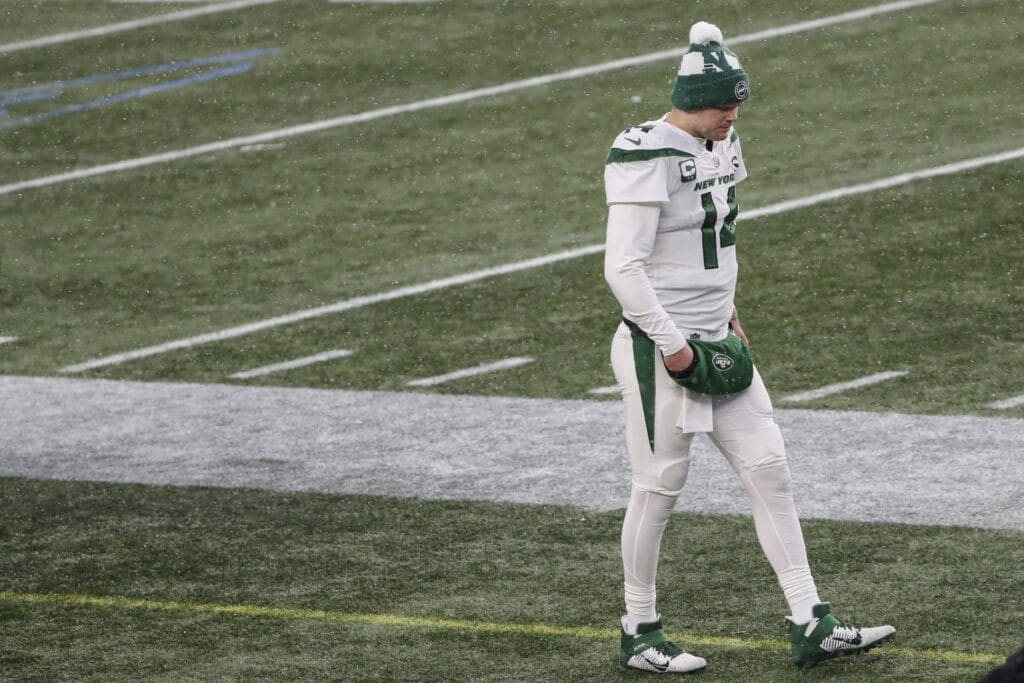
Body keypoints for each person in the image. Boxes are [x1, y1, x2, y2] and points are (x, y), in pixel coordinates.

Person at [602, 21, 895, 673]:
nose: (733, 115)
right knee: (659, 487)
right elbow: (623, 268)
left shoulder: (723, 141)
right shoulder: (645, 151)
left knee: (771, 470)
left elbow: (711, 243)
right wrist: (676, 348)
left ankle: (810, 619)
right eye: (721, 104)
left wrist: (729, 312)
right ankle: (639, 630)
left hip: (718, 338)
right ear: (689, 98)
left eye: (738, 104)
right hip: (661, 350)